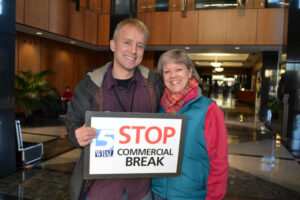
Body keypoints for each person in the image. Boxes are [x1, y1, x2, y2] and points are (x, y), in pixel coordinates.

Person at [65, 18, 163, 200]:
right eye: (127, 42)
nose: (133, 51)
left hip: (141, 192)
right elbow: (72, 122)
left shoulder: (154, 83)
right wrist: (76, 134)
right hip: (99, 191)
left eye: (140, 45)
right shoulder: (88, 85)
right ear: (113, 45)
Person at [151, 49, 228, 200]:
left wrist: (213, 197)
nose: (173, 76)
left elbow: (219, 161)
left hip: (192, 195)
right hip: (156, 194)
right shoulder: (156, 107)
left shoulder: (208, 110)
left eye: (179, 69)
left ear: (190, 71)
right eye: (167, 71)